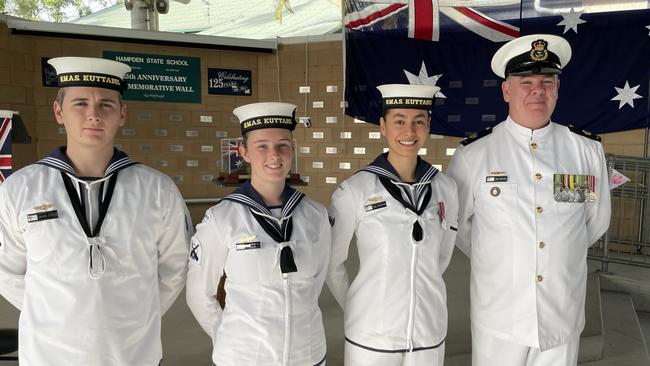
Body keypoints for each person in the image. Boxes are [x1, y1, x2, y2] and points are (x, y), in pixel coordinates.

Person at [0, 57, 192, 365]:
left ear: (122, 114)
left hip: (132, 354)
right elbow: (6, 270)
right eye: (80, 104)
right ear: (59, 112)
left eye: (105, 104)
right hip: (49, 355)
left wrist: (130, 314)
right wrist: (59, 315)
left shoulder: (156, 189)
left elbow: (174, 268)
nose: (93, 115)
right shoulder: (20, 189)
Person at [446, 34, 611, 366]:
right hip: (500, 316)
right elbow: (458, 228)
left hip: (561, 313)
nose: (538, 89)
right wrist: (500, 254)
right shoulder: (474, 154)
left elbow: (594, 222)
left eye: (547, 81)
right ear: (507, 91)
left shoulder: (586, 151)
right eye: (526, 81)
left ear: (557, 88)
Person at [186, 102, 331, 366]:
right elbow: (198, 293)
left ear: (292, 150)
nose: (274, 155)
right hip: (245, 357)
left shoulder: (315, 215)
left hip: (308, 354)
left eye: (283, 145)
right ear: (245, 152)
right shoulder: (222, 219)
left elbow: (314, 282)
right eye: (262, 145)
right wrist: (232, 339)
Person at [327, 84, 459, 366]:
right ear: (383, 126)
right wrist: (358, 308)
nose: (409, 132)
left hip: (429, 331)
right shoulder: (355, 190)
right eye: (399, 121)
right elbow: (332, 263)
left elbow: (441, 257)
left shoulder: (445, 188)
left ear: (428, 126)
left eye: (418, 122)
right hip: (372, 336)